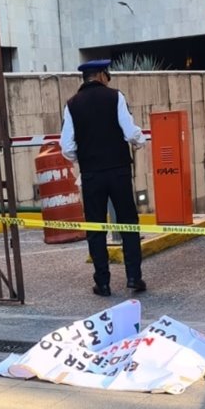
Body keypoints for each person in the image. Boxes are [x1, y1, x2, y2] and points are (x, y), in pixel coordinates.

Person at [59, 59, 147, 297]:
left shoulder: (71, 105)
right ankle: (133, 278)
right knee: (128, 223)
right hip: (118, 170)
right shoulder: (115, 97)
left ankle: (103, 283)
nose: (108, 78)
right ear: (100, 75)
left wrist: (86, 158)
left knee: (95, 228)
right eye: (107, 74)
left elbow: (66, 146)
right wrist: (141, 142)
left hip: (91, 175)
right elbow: (130, 131)